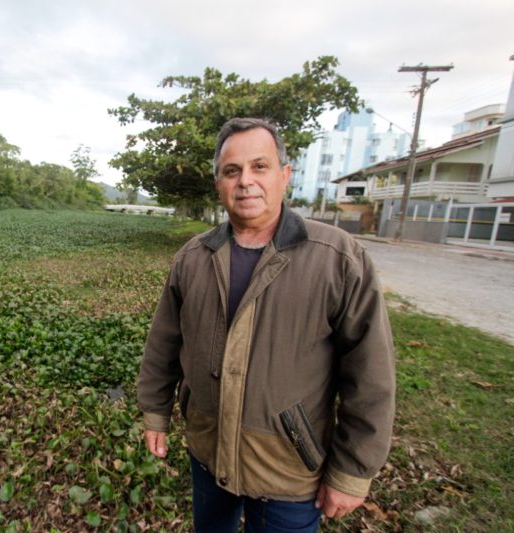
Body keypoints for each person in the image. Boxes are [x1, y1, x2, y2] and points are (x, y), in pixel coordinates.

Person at [137, 118, 395, 532]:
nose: (246, 182)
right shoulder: (193, 258)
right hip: (208, 450)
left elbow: (371, 374)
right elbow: (164, 344)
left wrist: (352, 470)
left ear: (284, 176)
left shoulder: (338, 258)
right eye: (232, 170)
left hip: (288, 471)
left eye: (260, 166)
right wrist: (155, 411)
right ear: (219, 182)